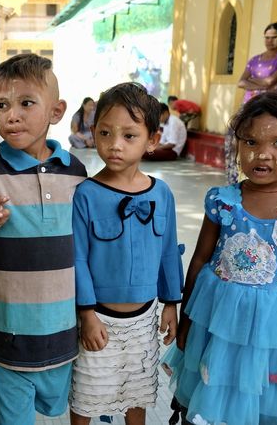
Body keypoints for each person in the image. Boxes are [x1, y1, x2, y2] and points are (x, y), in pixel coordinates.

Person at [162, 90, 277, 424]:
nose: (262, 154)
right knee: (217, 402)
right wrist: (187, 320)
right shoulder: (223, 201)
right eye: (250, 142)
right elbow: (198, 262)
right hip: (221, 331)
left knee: (271, 401)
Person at [0, 53, 88, 425]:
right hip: (10, 323)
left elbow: (84, 242)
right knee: (15, 417)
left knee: (56, 404)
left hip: (61, 323)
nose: (11, 115)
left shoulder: (74, 171)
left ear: (56, 110)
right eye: (1, 105)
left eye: (26, 103)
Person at [69, 82, 184, 425]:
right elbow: (77, 258)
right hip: (98, 319)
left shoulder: (161, 193)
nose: (114, 145)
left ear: (152, 139)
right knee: (88, 392)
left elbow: (168, 252)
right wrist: (87, 314)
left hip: (145, 319)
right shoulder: (86, 194)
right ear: (93, 132)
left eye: (129, 136)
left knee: (138, 391)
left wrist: (171, 303)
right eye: (105, 132)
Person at [226, 21, 277, 184]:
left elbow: (270, 82)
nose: (269, 41)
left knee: (265, 144)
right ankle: (234, 179)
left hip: (272, 108)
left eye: (274, 37)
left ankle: (267, 179)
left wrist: (255, 82)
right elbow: (241, 82)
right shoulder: (255, 59)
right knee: (235, 138)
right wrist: (261, 83)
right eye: (267, 37)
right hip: (249, 106)